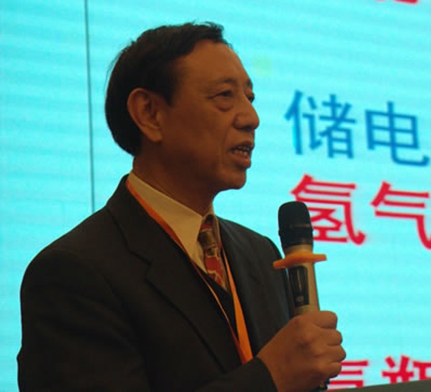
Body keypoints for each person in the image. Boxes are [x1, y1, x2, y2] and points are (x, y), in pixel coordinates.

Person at [18, 22, 345, 392]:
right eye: (225, 96)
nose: (251, 119)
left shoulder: (260, 254)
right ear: (150, 114)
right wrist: (270, 377)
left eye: (250, 98)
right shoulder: (75, 272)